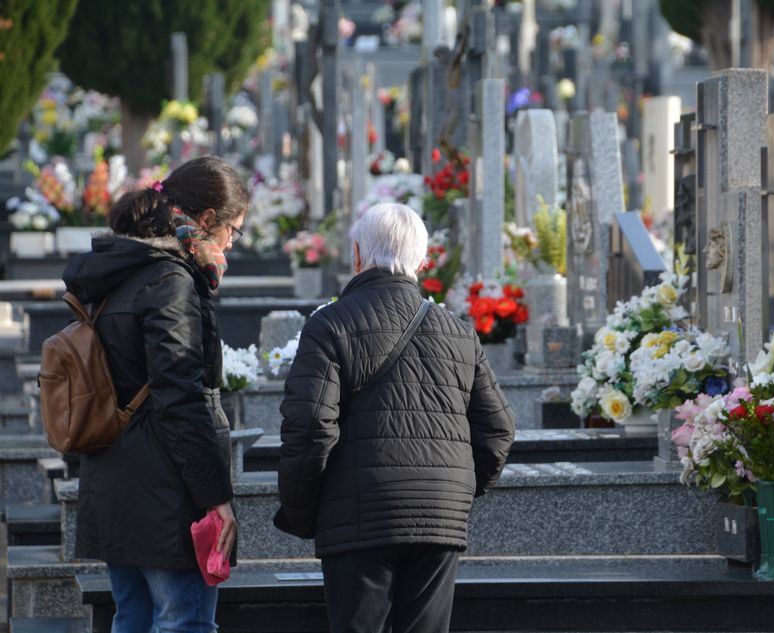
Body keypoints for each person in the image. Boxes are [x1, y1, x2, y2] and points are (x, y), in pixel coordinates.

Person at [274, 202, 515, 633]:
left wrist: (300, 508)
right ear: (422, 261)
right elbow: (498, 428)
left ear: (357, 255)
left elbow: (310, 427)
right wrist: (455, 488)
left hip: (358, 512)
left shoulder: (330, 325)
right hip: (439, 515)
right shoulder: (459, 332)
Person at [62, 156, 247, 633]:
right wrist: (214, 497)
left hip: (115, 480)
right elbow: (181, 397)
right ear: (206, 221)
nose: (232, 243)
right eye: (233, 230)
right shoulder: (171, 281)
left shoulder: (120, 268)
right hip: (166, 492)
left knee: (134, 619)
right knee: (183, 621)